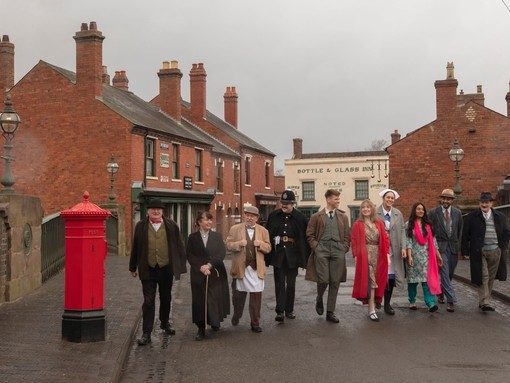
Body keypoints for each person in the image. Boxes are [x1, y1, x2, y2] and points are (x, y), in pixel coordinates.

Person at [129, 198, 186, 346]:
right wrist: (132, 267)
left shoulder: (171, 225)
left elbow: (179, 246)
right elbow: (135, 247)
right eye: (153, 209)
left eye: (158, 209)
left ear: (162, 211)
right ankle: (146, 332)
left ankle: (164, 322)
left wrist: (180, 267)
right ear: (148, 211)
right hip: (148, 268)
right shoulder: (140, 226)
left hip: (166, 267)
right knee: (148, 301)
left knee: (166, 298)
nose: (156, 211)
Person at [306, 189, 350, 323]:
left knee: (335, 281)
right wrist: (316, 247)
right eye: (336, 199)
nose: (338, 201)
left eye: (338, 199)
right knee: (323, 279)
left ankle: (330, 312)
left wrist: (344, 248)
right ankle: (319, 298)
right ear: (328, 199)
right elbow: (310, 234)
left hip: (338, 249)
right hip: (322, 249)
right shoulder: (316, 216)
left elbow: (347, 236)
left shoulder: (343, 217)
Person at [265, 190, 310, 322]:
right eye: (283, 203)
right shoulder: (273, 216)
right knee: (279, 283)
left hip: (293, 255)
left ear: (293, 204)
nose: (284, 206)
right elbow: (267, 234)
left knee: (291, 284)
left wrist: (304, 257)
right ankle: (280, 311)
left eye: (287, 203)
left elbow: (305, 238)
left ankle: (289, 310)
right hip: (278, 254)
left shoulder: (300, 218)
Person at [462, 192, 510, 312]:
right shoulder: (471, 216)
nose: (484, 204)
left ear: (491, 203)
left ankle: (484, 300)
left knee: (491, 277)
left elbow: (506, 232)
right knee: (484, 276)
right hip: (479, 251)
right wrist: (465, 251)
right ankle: (485, 302)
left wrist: (501, 246)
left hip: (495, 250)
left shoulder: (500, 216)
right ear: (480, 203)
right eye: (482, 202)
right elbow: (465, 235)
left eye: (487, 202)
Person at [227, 205, 271, 333]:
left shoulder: (263, 231)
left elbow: (268, 248)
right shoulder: (235, 229)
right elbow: (228, 245)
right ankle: (237, 314)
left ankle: (255, 323)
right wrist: (238, 244)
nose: (249, 218)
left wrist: (260, 244)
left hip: (256, 269)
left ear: (257, 218)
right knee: (238, 297)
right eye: (247, 215)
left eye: (252, 216)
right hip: (241, 268)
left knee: (256, 297)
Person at [186, 211, 230, 341]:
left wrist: (210, 265)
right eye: (207, 220)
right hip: (198, 273)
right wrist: (201, 267)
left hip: (215, 272)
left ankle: (215, 321)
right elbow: (190, 255)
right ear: (199, 221)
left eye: (211, 220)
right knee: (200, 300)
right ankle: (201, 328)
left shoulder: (217, 236)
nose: (210, 222)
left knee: (214, 298)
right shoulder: (192, 237)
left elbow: (221, 253)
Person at [351, 199, 390, 321]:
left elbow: (385, 240)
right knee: (371, 282)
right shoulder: (357, 224)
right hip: (365, 255)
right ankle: (371, 310)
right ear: (361, 210)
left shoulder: (379, 223)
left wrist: (387, 255)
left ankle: (373, 306)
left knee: (377, 281)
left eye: (368, 207)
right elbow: (354, 241)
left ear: (372, 209)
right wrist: (356, 256)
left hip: (378, 255)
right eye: (363, 207)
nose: (366, 209)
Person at [405, 202, 443, 312]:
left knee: (427, 282)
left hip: (427, 258)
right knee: (413, 282)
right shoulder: (409, 225)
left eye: (422, 209)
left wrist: (438, 256)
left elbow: (434, 241)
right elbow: (408, 241)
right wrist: (409, 256)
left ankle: (430, 303)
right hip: (414, 257)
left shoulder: (428, 225)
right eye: (418, 209)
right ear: (414, 210)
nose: (421, 211)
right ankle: (412, 301)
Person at [428, 188, 462, 312]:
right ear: (441, 199)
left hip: (453, 247)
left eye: (449, 199)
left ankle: (441, 292)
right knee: (445, 273)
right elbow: (429, 231)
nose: (446, 201)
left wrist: (459, 248)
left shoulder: (457, 213)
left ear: (452, 200)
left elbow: (459, 230)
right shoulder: (433, 212)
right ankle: (451, 300)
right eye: (444, 198)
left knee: (450, 274)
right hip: (440, 247)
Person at [376, 188, 407, 315]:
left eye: (392, 198)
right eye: (388, 197)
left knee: (391, 277)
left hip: (394, 251)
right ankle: (378, 299)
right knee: (379, 276)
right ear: (383, 198)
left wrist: (404, 247)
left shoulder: (398, 213)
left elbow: (403, 231)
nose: (390, 200)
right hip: (380, 250)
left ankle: (387, 304)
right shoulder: (375, 212)